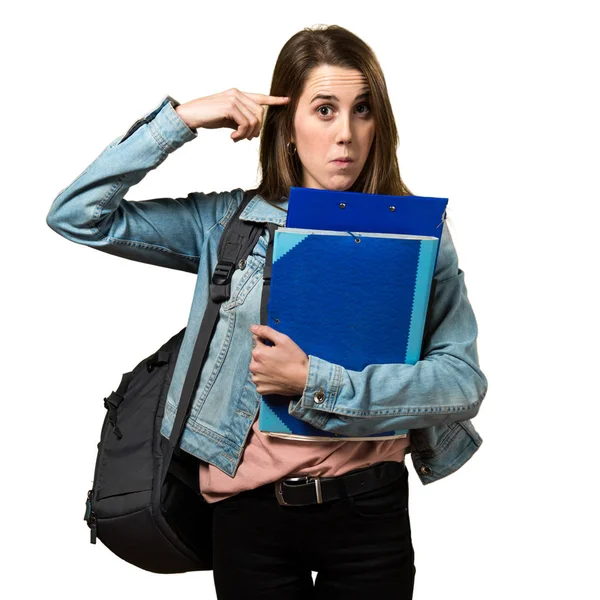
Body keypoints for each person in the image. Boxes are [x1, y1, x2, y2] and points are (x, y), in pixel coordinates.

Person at [46, 24, 487, 600]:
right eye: (324, 110)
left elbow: (462, 383)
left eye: (362, 110)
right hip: (249, 515)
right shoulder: (229, 226)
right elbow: (79, 216)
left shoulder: (419, 235)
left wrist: (314, 382)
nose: (346, 135)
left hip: (369, 510)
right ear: (288, 125)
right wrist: (181, 120)